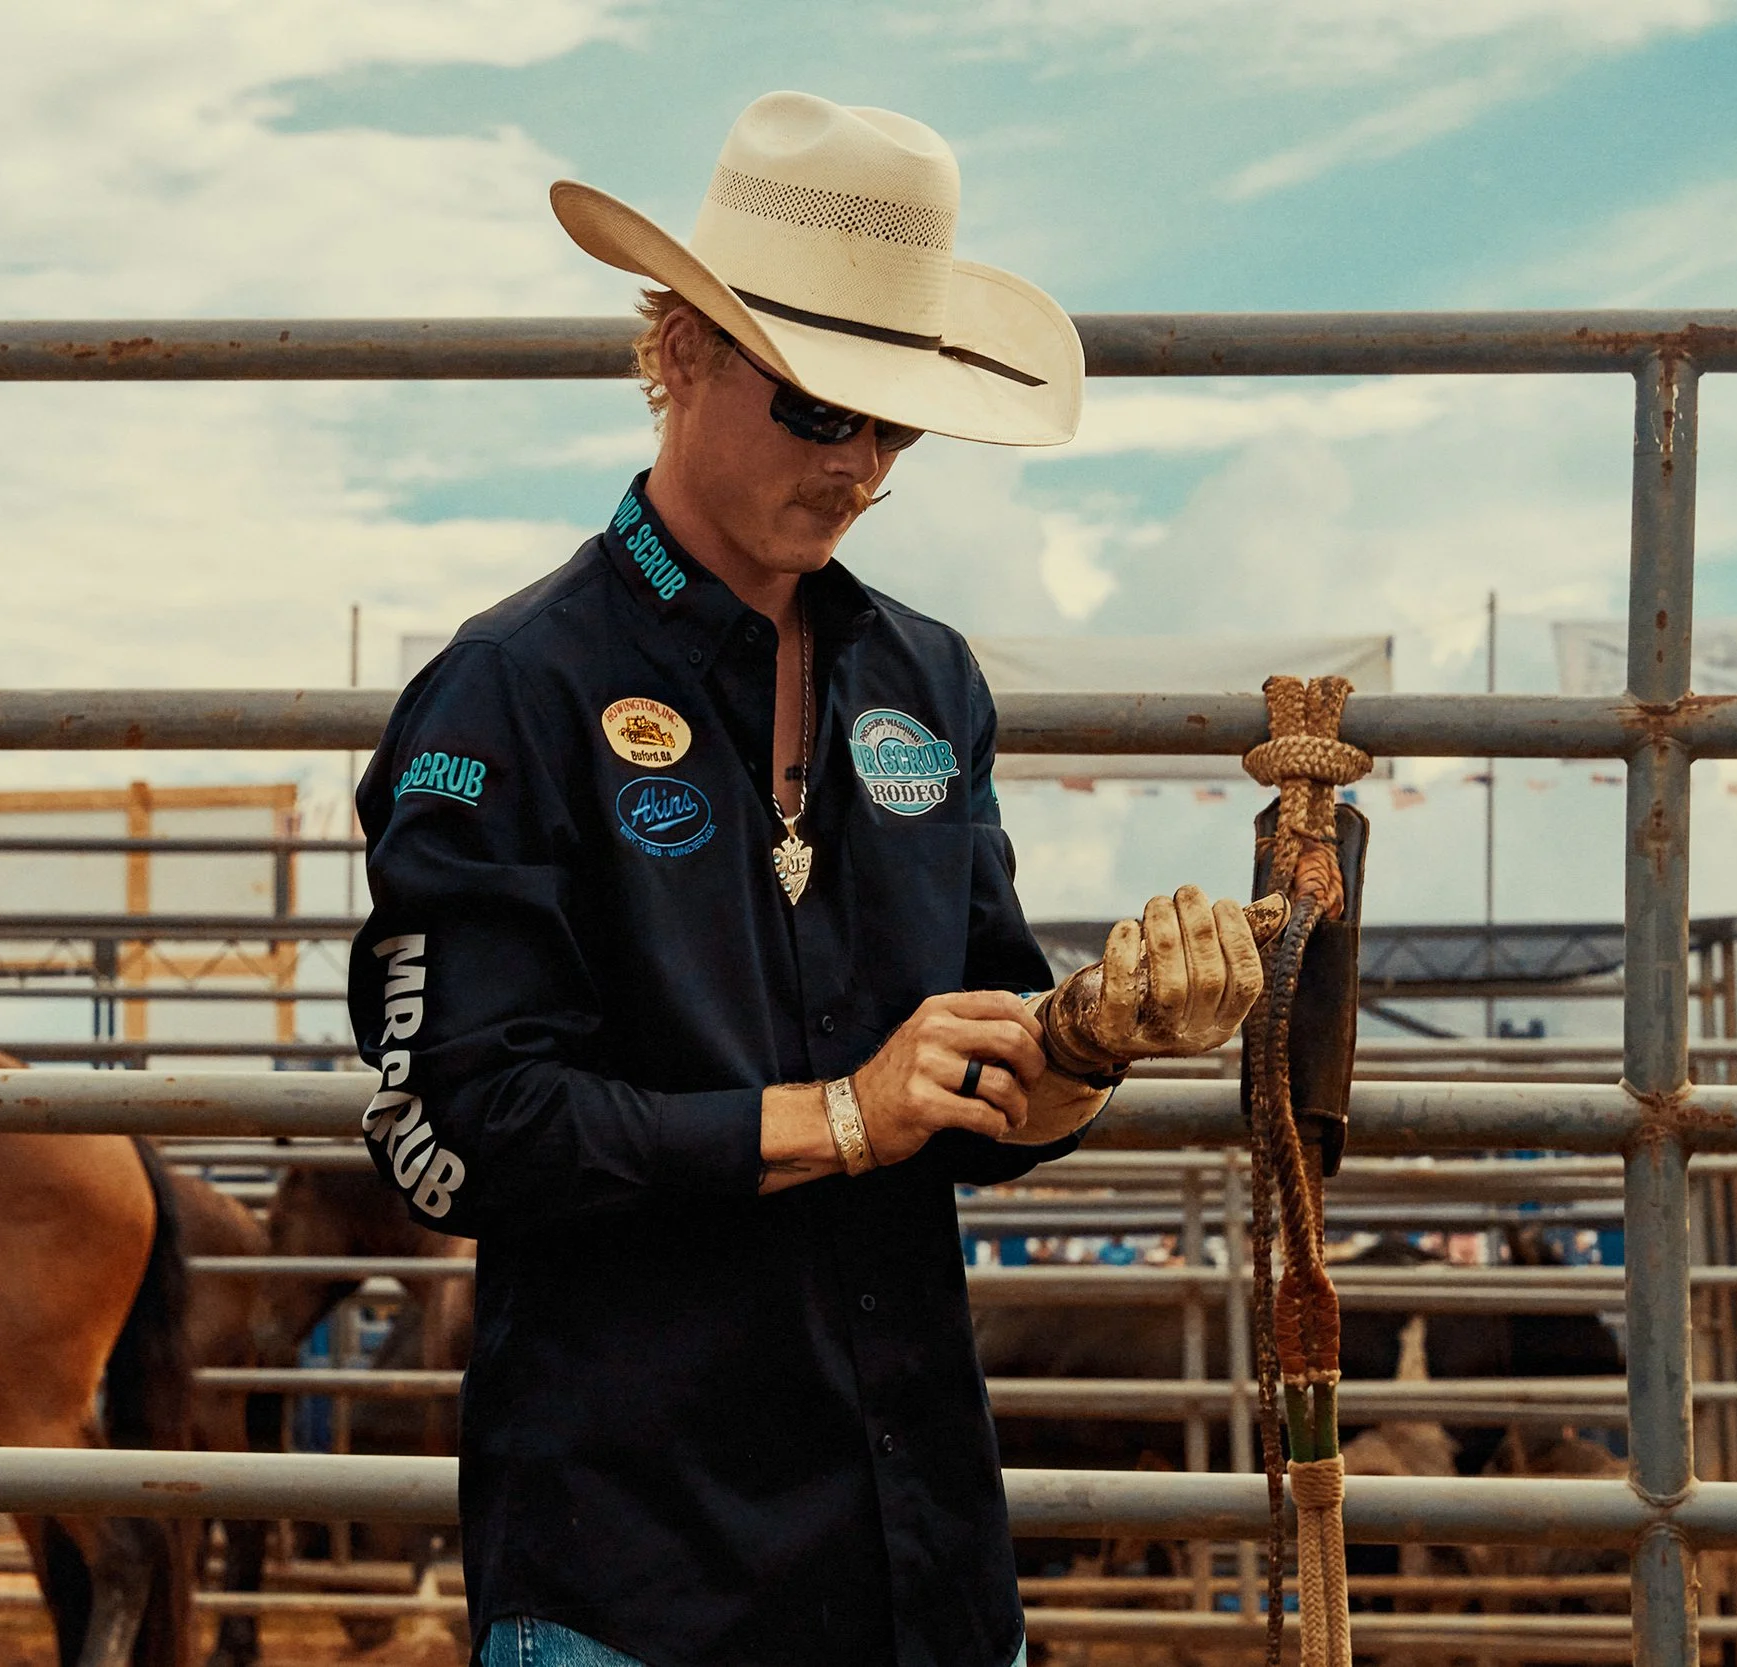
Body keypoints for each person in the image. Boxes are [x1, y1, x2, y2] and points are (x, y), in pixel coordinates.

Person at [349, 91, 1268, 1667]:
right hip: (640, 1579)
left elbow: (982, 1088)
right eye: (821, 412)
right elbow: (455, 1134)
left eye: (895, 421)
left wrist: (1105, 1030)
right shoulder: (510, 691)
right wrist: (846, 1112)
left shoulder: (926, 681)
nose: (861, 465)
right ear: (679, 349)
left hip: (926, 1570)